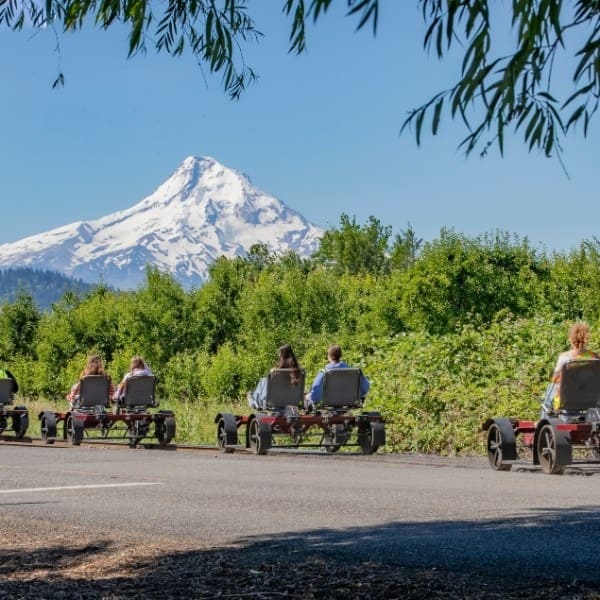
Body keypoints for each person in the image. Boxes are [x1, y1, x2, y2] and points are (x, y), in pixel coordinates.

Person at [542, 322, 600, 416]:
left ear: (570, 339)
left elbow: (554, 379)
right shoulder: (595, 358)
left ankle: (543, 420)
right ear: (586, 339)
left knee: (550, 387)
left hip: (567, 400)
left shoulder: (565, 358)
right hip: (592, 400)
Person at [304, 344, 370, 412]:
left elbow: (316, 393)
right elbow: (366, 387)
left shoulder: (324, 372)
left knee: (307, 396)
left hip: (328, 402)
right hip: (350, 402)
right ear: (340, 356)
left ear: (328, 356)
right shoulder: (355, 372)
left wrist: (309, 398)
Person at [248, 344, 301, 409]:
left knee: (263, 381)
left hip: (274, 402)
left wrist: (273, 371)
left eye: (280, 354)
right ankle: (253, 398)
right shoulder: (299, 372)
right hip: (292, 402)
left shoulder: (276, 372)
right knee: (263, 381)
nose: (278, 355)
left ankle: (253, 401)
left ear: (283, 355)